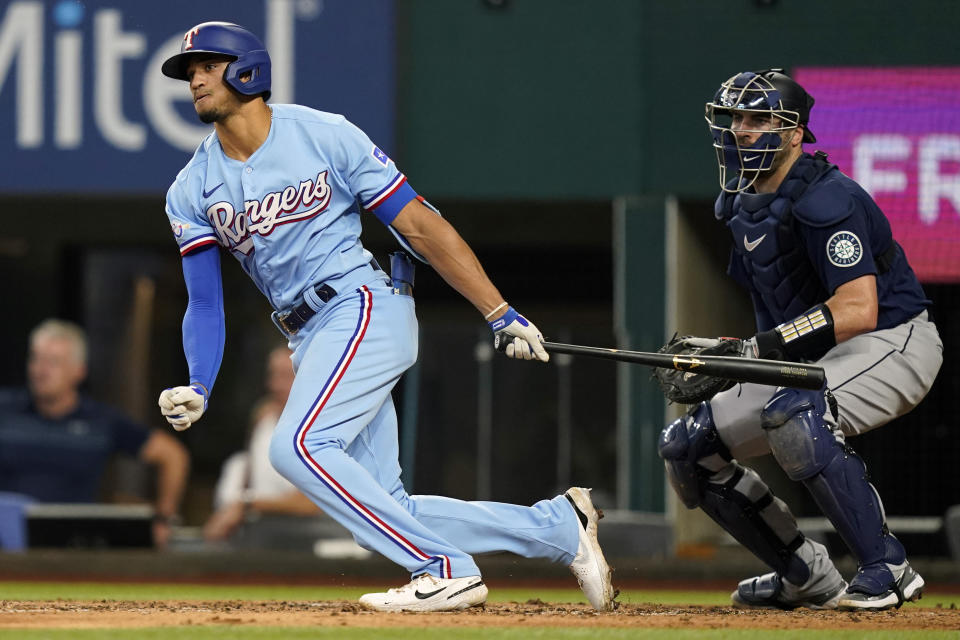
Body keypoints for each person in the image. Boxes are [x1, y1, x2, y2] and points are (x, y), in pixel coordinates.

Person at [156, 22, 615, 612]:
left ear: (248, 69)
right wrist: (199, 380)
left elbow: (419, 223)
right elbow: (204, 301)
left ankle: (444, 567)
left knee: (295, 447)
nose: (194, 78)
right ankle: (557, 527)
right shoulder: (191, 187)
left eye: (207, 65)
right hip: (308, 334)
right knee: (382, 507)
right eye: (188, 71)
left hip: (362, 304)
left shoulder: (322, 135)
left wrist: (499, 311)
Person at [658, 69, 942, 611]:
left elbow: (859, 310)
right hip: (819, 353)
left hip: (896, 341)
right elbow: (780, 318)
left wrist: (759, 349)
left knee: (794, 414)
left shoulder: (827, 198)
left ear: (793, 134)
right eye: (736, 118)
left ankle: (888, 567)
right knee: (687, 447)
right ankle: (805, 574)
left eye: (759, 118)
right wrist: (738, 353)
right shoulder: (740, 205)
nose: (741, 130)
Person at [0, 319, 190, 548]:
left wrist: (163, 519)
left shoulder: (101, 421)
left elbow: (172, 455)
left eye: (53, 362)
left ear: (79, 371)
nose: (41, 370)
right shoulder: (6, 409)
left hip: (75, 547)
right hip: (7, 545)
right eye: (36, 359)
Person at [203, 345, 321, 541]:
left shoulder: (323, 430)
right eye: (273, 375)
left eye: (286, 376)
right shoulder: (263, 417)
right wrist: (231, 510)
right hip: (257, 531)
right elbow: (248, 478)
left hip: (307, 536)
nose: (275, 385)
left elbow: (312, 504)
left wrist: (247, 505)